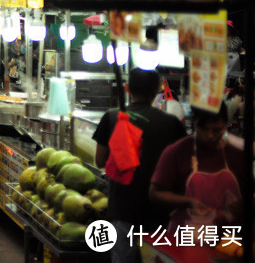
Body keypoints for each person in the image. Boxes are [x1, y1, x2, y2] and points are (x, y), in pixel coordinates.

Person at [92, 68, 186, 262]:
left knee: (122, 258)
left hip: (122, 206)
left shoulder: (112, 117)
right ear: (157, 90)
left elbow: (100, 161)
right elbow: (183, 167)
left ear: (127, 88)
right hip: (158, 209)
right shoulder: (171, 123)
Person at [150, 101, 249, 233]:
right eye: (203, 128)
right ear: (194, 122)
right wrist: (189, 202)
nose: (210, 135)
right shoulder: (177, 151)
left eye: (217, 129)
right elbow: (155, 193)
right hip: (188, 236)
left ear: (226, 124)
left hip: (230, 238)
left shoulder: (237, 152)